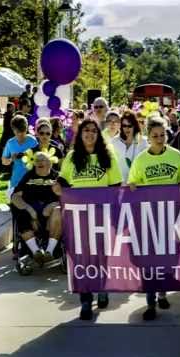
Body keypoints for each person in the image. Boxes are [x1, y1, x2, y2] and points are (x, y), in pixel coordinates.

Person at [54, 119, 123, 320]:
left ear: (98, 135)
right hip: (78, 217)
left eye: (94, 130)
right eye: (86, 130)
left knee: (101, 254)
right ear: (80, 133)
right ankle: (85, 299)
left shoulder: (107, 157)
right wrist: (57, 185)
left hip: (102, 215)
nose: (90, 134)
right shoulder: (72, 157)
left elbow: (116, 186)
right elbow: (63, 180)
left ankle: (102, 287)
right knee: (81, 257)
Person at [128, 117, 180, 321]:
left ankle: (163, 293)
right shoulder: (141, 159)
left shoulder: (176, 155)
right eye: (155, 136)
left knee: (169, 258)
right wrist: (133, 187)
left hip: (171, 216)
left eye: (162, 135)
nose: (160, 139)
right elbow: (132, 183)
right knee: (149, 261)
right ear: (148, 137)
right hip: (149, 218)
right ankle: (150, 302)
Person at [11, 151, 62, 264]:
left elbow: (68, 196)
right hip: (31, 213)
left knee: (58, 211)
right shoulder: (28, 176)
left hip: (51, 215)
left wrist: (56, 205)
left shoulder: (57, 177)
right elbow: (15, 197)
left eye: (42, 159)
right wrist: (29, 209)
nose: (39, 162)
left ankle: (49, 251)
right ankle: (36, 251)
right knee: (21, 212)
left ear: (49, 163)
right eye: (36, 160)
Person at [2, 115, 38, 199]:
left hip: (31, 181)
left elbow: (39, 158)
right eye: (18, 132)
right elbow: (4, 161)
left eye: (23, 131)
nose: (21, 134)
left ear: (26, 129)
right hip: (16, 181)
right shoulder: (10, 143)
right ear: (13, 130)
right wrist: (11, 159)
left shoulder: (32, 140)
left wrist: (27, 155)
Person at [112, 110, 148, 182]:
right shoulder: (114, 141)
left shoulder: (143, 141)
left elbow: (146, 164)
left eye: (130, 126)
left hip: (137, 184)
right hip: (120, 185)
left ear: (134, 125)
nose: (127, 128)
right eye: (124, 126)